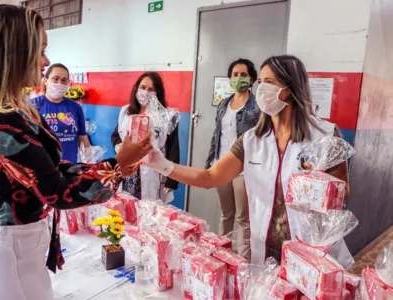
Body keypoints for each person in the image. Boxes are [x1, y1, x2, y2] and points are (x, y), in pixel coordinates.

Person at [0, 5, 151, 300]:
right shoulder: (1, 120)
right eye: (40, 51)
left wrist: (115, 166)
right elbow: (55, 191)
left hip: (25, 250)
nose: (45, 62)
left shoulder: (23, 111)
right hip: (3, 256)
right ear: (14, 53)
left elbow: (54, 168)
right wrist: (116, 164)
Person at [142, 55, 353, 268]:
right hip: (265, 251)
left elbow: (343, 190)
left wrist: (314, 194)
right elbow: (210, 177)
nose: (261, 89)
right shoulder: (252, 140)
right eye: (260, 82)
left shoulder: (325, 135)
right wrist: (163, 165)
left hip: (312, 251)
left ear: (290, 87)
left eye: (268, 82)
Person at [205, 58, 260, 259]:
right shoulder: (223, 105)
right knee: (226, 213)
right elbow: (216, 135)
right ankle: (221, 255)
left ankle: (242, 261)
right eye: (235, 75)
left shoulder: (257, 106)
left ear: (251, 78)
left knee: (243, 218)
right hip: (221, 165)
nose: (238, 78)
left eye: (243, 74)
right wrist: (210, 163)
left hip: (244, 169)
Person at [111, 72, 180, 202]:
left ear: (158, 92)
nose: (145, 92)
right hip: (128, 171)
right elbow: (115, 135)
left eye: (151, 89)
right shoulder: (126, 111)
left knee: (151, 213)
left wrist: (172, 180)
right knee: (126, 207)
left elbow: (173, 148)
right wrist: (119, 147)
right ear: (136, 88)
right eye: (142, 87)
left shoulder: (169, 116)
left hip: (153, 172)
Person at [30, 63, 90, 163]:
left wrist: (89, 160)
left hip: (70, 166)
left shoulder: (75, 107)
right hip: (43, 166)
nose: (59, 83)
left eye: (64, 80)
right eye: (55, 78)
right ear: (45, 81)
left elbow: (82, 136)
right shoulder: (33, 106)